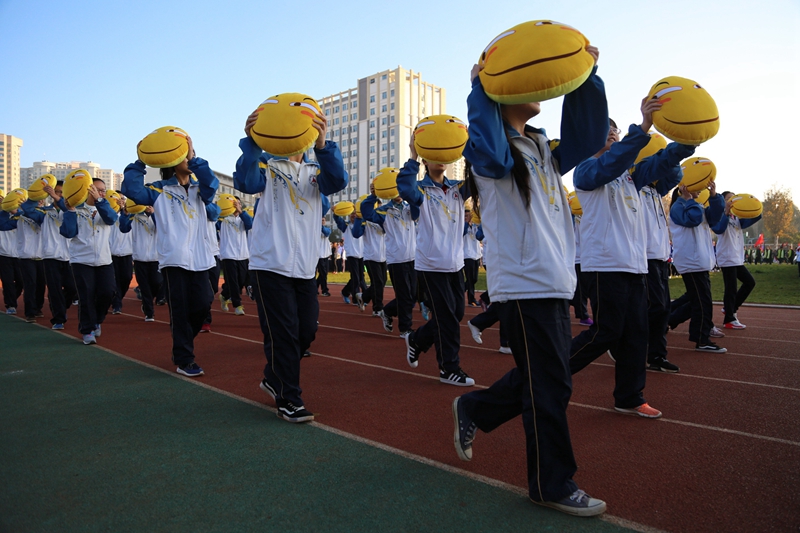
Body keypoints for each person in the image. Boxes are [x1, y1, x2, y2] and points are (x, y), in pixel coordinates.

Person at [453, 53, 609, 517]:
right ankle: (551, 484)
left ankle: (476, 409)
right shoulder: (488, 151)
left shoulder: (541, 147)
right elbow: (489, 145)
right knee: (551, 386)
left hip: (554, 279)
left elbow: (588, 138)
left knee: (548, 377)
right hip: (524, 285)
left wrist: (585, 76)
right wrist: (480, 88)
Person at [569, 103, 696, 418]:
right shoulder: (585, 170)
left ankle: (629, 397)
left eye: (614, 129)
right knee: (605, 333)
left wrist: (687, 138)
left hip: (635, 266)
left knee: (637, 334)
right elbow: (611, 164)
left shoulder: (631, 177)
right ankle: (548, 372)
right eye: (606, 129)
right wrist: (643, 127)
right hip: (605, 266)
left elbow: (664, 164)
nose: (612, 133)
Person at [234, 104, 347, 423]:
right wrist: (252, 142)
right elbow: (245, 181)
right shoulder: (266, 167)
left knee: (306, 330)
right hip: (270, 264)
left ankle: (274, 377)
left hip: (305, 267)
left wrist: (323, 145)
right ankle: (289, 398)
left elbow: (338, 180)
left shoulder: (316, 172)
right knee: (283, 334)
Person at [123, 134, 219, 376]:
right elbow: (132, 189)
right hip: (174, 260)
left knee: (203, 304)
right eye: (184, 156)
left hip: (201, 259)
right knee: (180, 311)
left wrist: (193, 157)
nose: (189, 158)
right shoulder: (158, 190)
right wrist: (140, 161)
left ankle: (183, 342)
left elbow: (212, 183)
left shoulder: (200, 190)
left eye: (190, 154)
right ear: (172, 161)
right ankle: (185, 358)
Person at [397, 136, 474, 387]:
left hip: (456, 263)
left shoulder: (458, 189)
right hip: (431, 265)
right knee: (447, 319)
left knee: (456, 313)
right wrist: (413, 154)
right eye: (433, 156)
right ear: (426, 161)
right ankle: (448, 368)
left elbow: (478, 174)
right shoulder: (420, 190)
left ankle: (417, 340)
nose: (439, 159)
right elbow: (404, 188)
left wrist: (468, 145)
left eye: (443, 155)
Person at [640, 153, 688, 373]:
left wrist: (674, 155)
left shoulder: (655, 189)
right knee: (656, 306)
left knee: (664, 307)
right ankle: (636, 347)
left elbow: (675, 175)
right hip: (645, 256)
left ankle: (657, 355)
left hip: (660, 257)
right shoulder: (636, 184)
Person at [668, 183, 727, 352]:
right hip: (691, 261)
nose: (701, 189)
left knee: (698, 301)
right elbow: (693, 220)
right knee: (702, 303)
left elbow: (715, 218)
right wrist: (688, 200)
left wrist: (715, 197)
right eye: (697, 185)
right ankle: (701, 339)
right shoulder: (678, 207)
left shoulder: (696, 205)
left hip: (699, 261)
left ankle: (669, 320)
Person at [60, 179, 118, 345]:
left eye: (103, 190)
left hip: (104, 260)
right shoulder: (75, 209)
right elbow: (68, 232)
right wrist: (70, 211)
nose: (101, 193)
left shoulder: (106, 207)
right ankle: (87, 330)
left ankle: (97, 320)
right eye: (97, 189)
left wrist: (100, 201)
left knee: (108, 292)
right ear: (87, 190)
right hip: (81, 260)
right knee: (86, 295)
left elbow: (111, 219)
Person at [361, 186, 419, 336]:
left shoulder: (409, 208)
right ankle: (405, 328)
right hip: (396, 260)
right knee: (404, 296)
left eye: (400, 188)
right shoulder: (384, 211)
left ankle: (387, 311)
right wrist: (373, 195)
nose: (398, 192)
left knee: (414, 294)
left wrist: (410, 193)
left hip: (414, 258)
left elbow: (417, 210)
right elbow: (367, 213)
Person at [23, 182, 77, 330]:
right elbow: (27, 210)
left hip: (70, 257)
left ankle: (60, 307)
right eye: (57, 192)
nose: (59, 195)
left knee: (72, 288)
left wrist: (59, 199)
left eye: (63, 193)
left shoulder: (73, 210)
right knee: (54, 290)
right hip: (50, 256)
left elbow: (68, 211)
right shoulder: (44, 212)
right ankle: (58, 319)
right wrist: (36, 195)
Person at [711, 192, 761, 329]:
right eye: (729, 199)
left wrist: (756, 207)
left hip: (736, 258)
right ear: (723, 201)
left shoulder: (737, 218)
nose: (732, 201)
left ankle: (731, 308)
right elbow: (719, 229)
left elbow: (753, 218)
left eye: (734, 198)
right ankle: (729, 319)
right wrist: (726, 213)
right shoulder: (719, 215)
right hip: (727, 257)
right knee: (731, 289)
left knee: (750, 282)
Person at [218, 196, 252, 315]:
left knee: (241, 282)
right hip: (228, 255)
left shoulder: (243, 219)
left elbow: (250, 224)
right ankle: (238, 305)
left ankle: (224, 295)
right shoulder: (223, 219)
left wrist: (241, 212)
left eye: (238, 203)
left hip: (243, 255)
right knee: (233, 281)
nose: (237, 205)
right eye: (234, 203)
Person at [130, 205, 161, 322]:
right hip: (140, 257)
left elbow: (162, 227)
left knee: (157, 282)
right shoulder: (136, 215)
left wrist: (153, 214)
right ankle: (149, 312)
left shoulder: (159, 215)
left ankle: (147, 302)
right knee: (144, 286)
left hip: (156, 257)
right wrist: (127, 213)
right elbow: (124, 228)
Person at [360, 190, 388, 317]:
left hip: (382, 256)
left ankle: (364, 297)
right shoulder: (365, 221)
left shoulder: (382, 219)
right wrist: (358, 219)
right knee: (378, 282)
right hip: (370, 256)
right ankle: (377, 308)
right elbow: (356, 233)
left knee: (382, 281)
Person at [0, 194, 26, 315]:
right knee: (8, 281)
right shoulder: (2, 215)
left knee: (21, 282)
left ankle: (11, 297)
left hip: (19, 254)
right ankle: (10, 304)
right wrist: (6, 210)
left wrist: (16, 212)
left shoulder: (21, 214)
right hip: (4, 254)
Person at [334, 212, 366, 308]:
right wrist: (335, 213)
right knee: (356, 277)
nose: (353, 215)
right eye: (352, 214)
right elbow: (338, 220)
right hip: (351, 254)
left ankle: (345, 292)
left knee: (360, 277)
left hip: (361, 254)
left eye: (355, 214)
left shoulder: (362, 224)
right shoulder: (346, 226)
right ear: (348, 215)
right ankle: (356, 299)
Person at [109, 196, 134, 315]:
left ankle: (118, 297)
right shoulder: (109, 217)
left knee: (126, 278)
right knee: (114, 280)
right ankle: (117, 303)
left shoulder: (130, 217)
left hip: (127, 253)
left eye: (122, 199)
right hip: (111, 254)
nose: (119, 202)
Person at [462, 209, 482, 307]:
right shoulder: (462, 226)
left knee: (474, 279)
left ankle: (459, 289)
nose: (468, 218)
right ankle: (471, 299)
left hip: (476, 255)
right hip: (467, 255)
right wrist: (466, 222)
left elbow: (479, 236)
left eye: (469, 216)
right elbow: (462, 232)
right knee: (470, 279)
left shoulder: (474, 226)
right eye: (465, 216)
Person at [316, 217, 332, 297]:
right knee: (323, 273)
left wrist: (321, 226)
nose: (322, 221)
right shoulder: (315, 230)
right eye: (321, 220)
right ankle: (324, 290)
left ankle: (314, 287)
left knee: (325, 273)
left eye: (323, 220)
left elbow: (326, 233)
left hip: (326, 255)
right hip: (319, 255)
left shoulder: (327, 229)